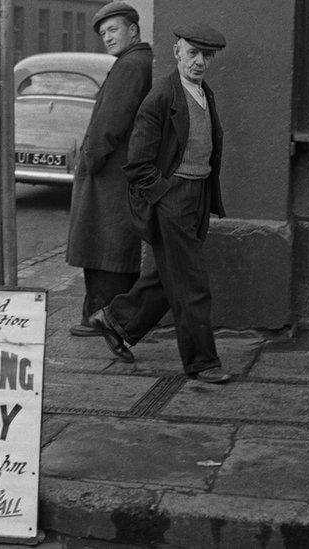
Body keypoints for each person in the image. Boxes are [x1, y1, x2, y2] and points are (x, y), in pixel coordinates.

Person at [88, 24, 231, 384]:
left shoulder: (203, 92)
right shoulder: (161, 97)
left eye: (206, 55)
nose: (199, 62)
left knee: (170, 277)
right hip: (173, 198)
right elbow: (137, 164)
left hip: (198, 196)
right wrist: (165, 197)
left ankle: (115, 320)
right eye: (192, 53)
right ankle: (202, 362)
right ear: (177, 53)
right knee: (192, 283)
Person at [65, 1, 152, 345]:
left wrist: (88, 160)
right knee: (112, 243)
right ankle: (106, 315)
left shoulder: (130, 65)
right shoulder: (138, 62)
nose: (107, 37)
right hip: (120, 173)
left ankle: (100, 316)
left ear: (133, 29)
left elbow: (108, 123)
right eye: (103, 33)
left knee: (104, 243)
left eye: (113, 29)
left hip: (109, 174)